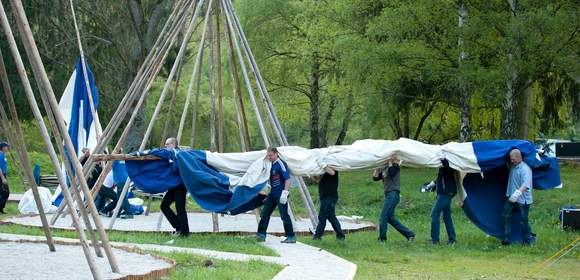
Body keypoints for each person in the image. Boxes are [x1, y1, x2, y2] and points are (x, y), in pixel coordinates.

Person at [257, 147, 295, 243]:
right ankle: (261, 235)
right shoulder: (271, 165)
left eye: (271, 155)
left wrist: (285, 193)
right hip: (272, 193)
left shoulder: (281, 164)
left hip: (280, 194)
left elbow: (287, 179)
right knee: (265, 213)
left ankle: (291, 236)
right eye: (268, 155)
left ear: (276, 154)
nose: (269, 157)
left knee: (284, 215)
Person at [373, 157, 415, 242]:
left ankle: (382, 239)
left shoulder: (395, 166)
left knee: (383, 217)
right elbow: (375, 178)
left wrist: (391, 162)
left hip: (393, 194)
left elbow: (392, 173)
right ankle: (410, 234)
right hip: (388, 195)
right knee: (390, 218)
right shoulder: (385, 169)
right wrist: (377, 167)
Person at [502, 148, 533, 246]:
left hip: (522, 199)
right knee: (505, 216)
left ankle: (527, 242)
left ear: (519, 157)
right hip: (511, 197)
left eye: (513, 159)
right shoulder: (513, 166)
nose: (512, 161)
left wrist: (517, 193)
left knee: (523, 221)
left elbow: (526, 184)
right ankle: (506, 239)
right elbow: (507, 163)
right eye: (511, 159)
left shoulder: (525, 169)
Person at [160, 137, 189, 237]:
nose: (165, 146)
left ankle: (184, 233)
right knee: (164, 206)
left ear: (173, 144)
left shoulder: (178, 154)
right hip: (173, 185)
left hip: (180, 185)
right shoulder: (169, 154)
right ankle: (179, 227)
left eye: (167, 144)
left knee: (180, 209)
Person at [311, 167, 345, 241]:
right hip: (325, 197)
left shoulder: (332, 167)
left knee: (322, 217)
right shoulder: (324, 169)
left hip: (329, 197)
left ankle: (317, 236)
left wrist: (323, 165)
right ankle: (340, 236)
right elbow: (317, 179)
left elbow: (332, 173)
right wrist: (311, 173)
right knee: (331, 217)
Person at [429, 159, 457, 245]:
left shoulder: (447, 165)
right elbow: (442, 179)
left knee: (434, 213)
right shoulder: (443, 168)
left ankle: (435, 240)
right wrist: (433, 185)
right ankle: (452, 239)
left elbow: (448, 170)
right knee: (446, 216)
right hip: (445, 192)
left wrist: (443, 159)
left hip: (446, 193)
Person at [0, 142, 10, 214]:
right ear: (3, 147)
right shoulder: (0, 155)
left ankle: (1, 209)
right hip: (1, 175)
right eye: (6, 147)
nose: (8, 148)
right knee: (5, 192)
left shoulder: (3, 155)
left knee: (3, 192)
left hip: (3, 174)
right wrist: (3, 178)